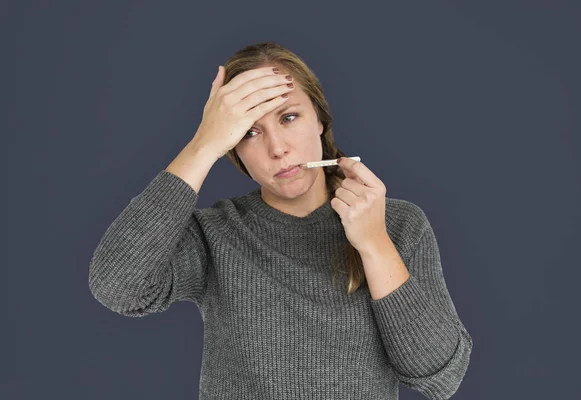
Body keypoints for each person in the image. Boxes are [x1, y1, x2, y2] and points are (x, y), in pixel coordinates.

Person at [88, 42, 473, 400]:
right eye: (250, 132)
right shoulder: (216, 233)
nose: (277, 148)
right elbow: (117, 287)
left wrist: (374, 244)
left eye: (289, 117)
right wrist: (203, 144)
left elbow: (438, 377)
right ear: (233, 149)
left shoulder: (400, 225)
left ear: (319, 120)